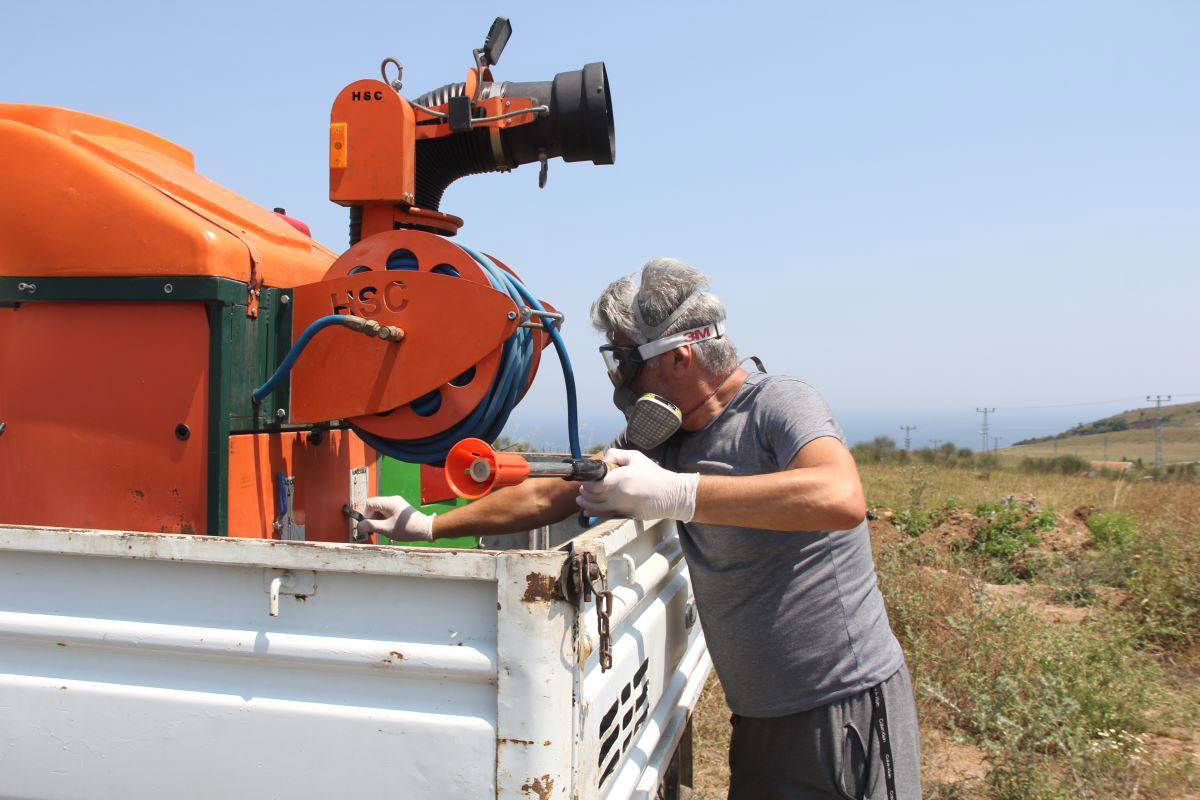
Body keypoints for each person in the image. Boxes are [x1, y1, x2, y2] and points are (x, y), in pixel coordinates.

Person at [358, 257, 922, 800]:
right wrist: (429, 524)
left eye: (627, 362)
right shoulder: (665, 438)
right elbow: (553, 493)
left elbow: (839, 497)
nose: (620, 381)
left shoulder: (777, 403)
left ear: (679, 357)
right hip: (760, 716)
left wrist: (679, 492)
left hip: (839, 704)